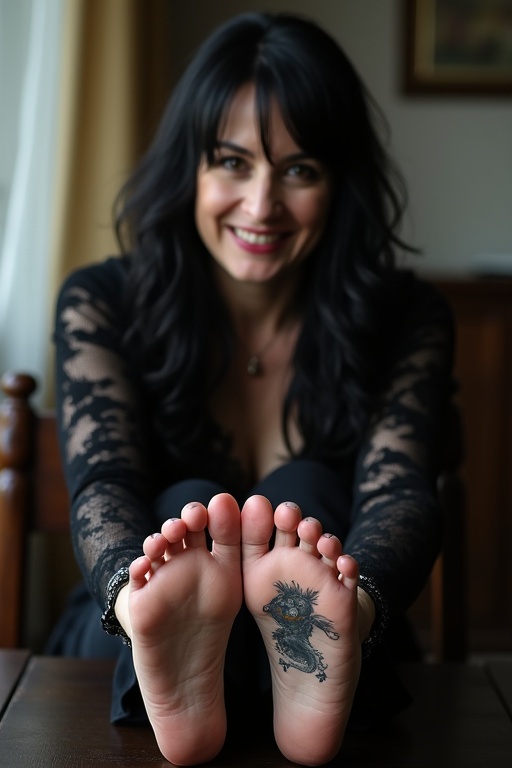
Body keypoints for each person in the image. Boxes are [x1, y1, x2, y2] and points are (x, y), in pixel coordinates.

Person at [48, 11, 455, 767]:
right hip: (124, 646)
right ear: (188, 170)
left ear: (340, 185)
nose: (261, 204)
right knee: (188, 514)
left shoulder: (405, 317)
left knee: (302, 497)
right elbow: (105, 482)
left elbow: (402, 497)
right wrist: (127, 593)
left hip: (331, 638)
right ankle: (164, 635)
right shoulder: (103, 302)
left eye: (299, 170)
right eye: (232, 162)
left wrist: (357, 605)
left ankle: (323, 642)